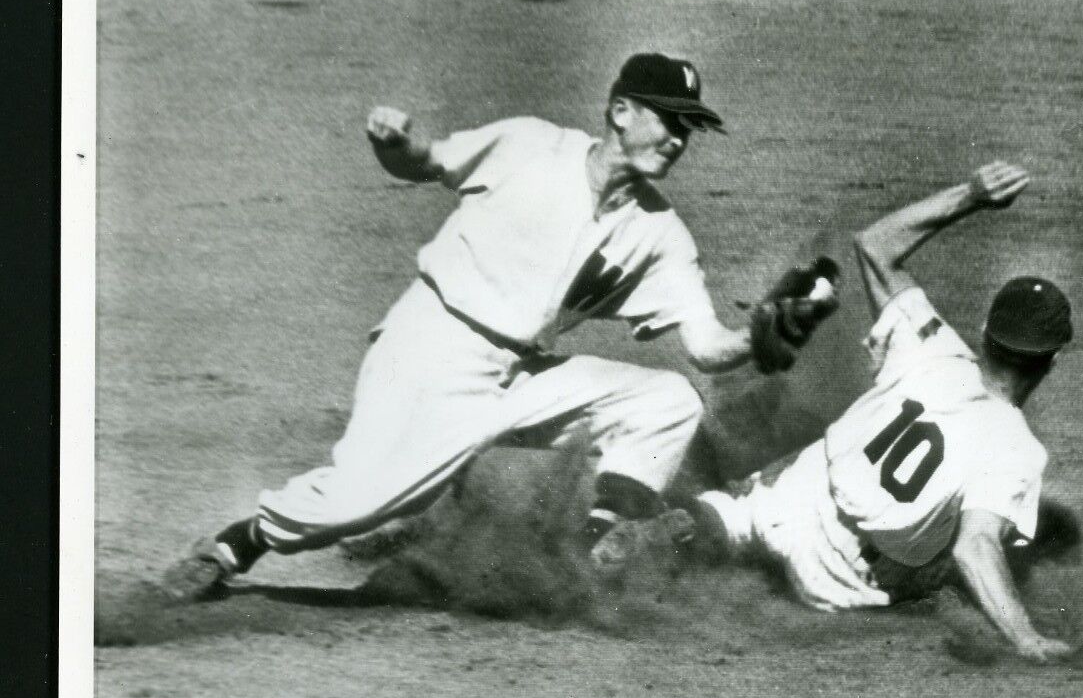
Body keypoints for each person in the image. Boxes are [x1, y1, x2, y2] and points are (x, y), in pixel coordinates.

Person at [162, 53, 833, 600]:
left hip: (521, 374)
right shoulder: (529, 145)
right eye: (670, 120)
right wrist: (392, 140)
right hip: (432, 345)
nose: (680, 139)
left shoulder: (661, 233)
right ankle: (236, 543)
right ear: (621, 111)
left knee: (666, 401)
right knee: (355, 501)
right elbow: (425, 161)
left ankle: (598, 551)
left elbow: (705, 346)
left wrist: (762, 340)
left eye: (691, 129)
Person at [691, 161, 1076, 662]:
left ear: (985, 330)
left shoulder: (933, 346)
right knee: (946, 565)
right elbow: (975, 546)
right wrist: (1025, 636)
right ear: (1053, 359)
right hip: (835, 578)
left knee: (725, 516)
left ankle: (688, 527)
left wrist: (972, 193)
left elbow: (874, 244)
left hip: (787, 498)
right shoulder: (1018, 451)